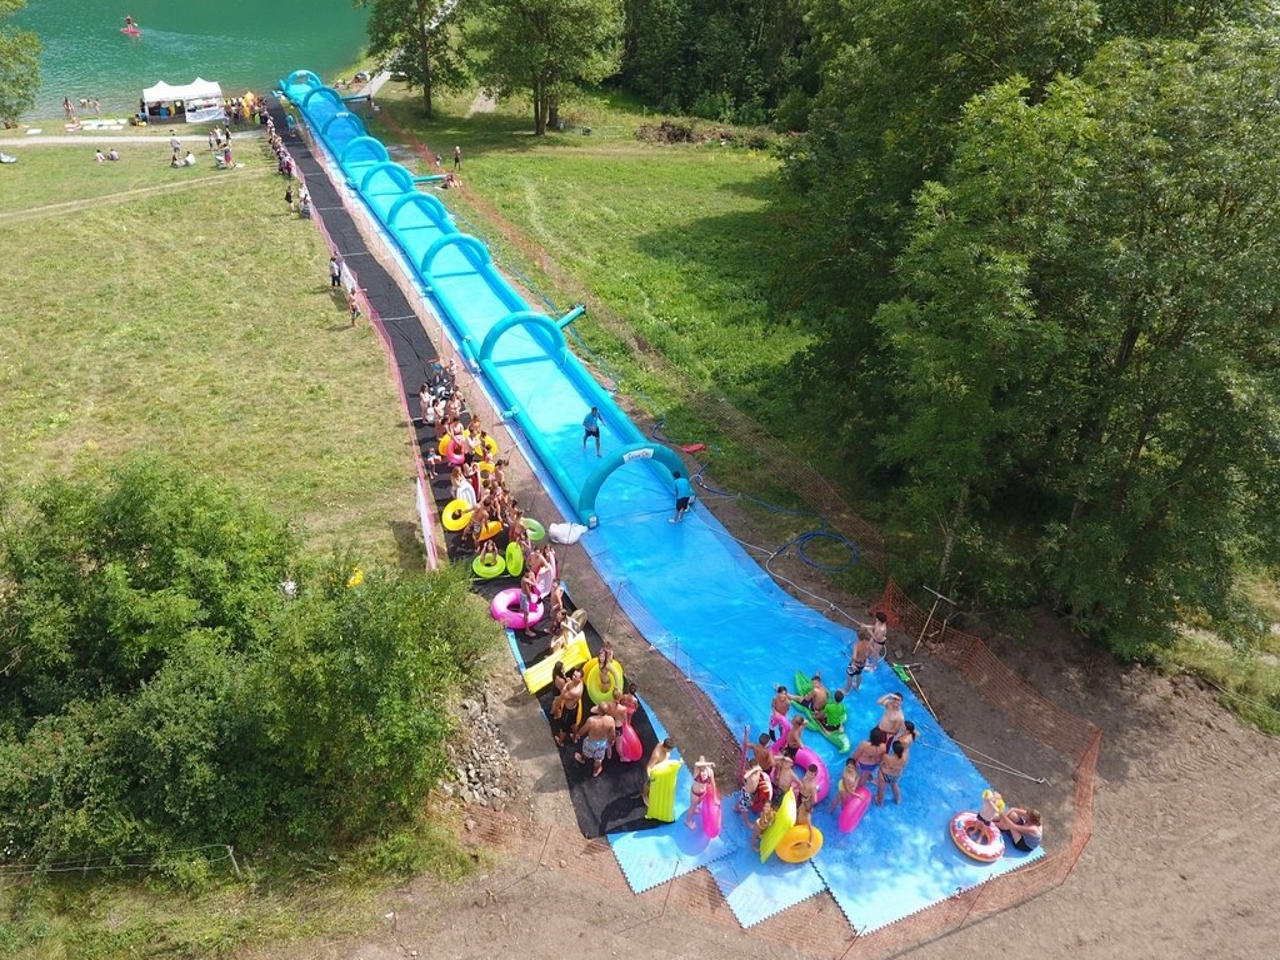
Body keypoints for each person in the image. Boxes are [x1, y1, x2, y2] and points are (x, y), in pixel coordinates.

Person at [574, 711, 617, 778]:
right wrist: (610, 745)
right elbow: (612, 735)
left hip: (591, 743)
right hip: (602, 744)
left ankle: (582, 759)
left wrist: (578, 734)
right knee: (598, 760)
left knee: (585, 752)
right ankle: (596, 771)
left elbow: (582, 730)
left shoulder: (592, 720)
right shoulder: (611, 720)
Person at [552, 665, 585, 748]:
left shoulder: (575, 692)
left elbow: (563, 696)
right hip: (574, 707)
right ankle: (574, 737)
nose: (573, 677)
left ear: (580, 678)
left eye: (576, 676)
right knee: (574, 723)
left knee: (564, 728)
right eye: (573, 675)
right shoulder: (580, 683)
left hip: (568, 711)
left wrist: (565, 686)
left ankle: (560, 742)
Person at [736, 763, 773, 828]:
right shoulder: (748, 778)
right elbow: (745, 777)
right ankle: (746, 822)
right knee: (743, 807)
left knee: (742, 802)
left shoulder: (759, 774)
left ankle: (737, 807)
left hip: (754, 794)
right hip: (748, 793)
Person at [684, 757, 715, 829]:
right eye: (701, 765)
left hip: (703, 792)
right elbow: (697, 764)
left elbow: (713, 783)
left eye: (703, 764)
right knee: (692, 806)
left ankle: (694, 809)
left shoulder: (709, 771)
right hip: (695, 793)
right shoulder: (697, 770)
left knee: (697, 803)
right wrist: (710, 763)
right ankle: (687, 821)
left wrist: (714, 795)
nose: (701, 767)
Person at [642, 737, 674, 804]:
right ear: (665, 748)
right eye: (669, 750)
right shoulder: (657, 755)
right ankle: (645, 796)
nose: (670, 752)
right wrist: (650, 777)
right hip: (654, 773)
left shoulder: (663, 743)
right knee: (648, 785)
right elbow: (649, 766)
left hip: (661, 771)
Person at [877, 741, 908, 805]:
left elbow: (880, 762)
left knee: (881, 789)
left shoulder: (887, 757)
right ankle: (898, 799)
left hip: (884, 775)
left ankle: (880, 802)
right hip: (896, 776)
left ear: (893, 750)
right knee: (894, 786)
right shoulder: (905, 757)